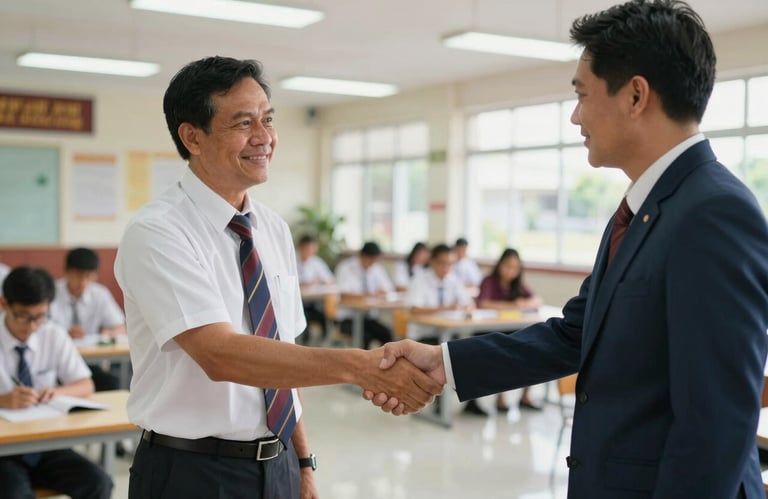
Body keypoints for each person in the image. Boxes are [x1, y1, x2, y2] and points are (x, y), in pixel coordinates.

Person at [369, 1, 768, 497]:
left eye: (582, 94)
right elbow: (576, 335)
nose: (576, 115)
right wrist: (443, 361)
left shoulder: (713, 213)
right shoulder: (643, 207)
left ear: (636, 95)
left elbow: (717, 423)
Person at [114, 56, 440, 499]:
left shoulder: (272, 229)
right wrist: (361, 367)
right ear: (192, 136)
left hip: (279, 463)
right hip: (192, 472)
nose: (264, 137)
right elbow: (220, 355)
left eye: (267, 119)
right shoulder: (158, 232)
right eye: (243, 123)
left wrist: (303, 462)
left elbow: (281, 358)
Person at [0, 266, 113, 499]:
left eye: (39, 317)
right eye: (23, 316)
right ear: (4, 304)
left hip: (45, 444)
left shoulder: (52, 333)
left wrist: (56, 392)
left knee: (99, 483)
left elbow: (85, 384)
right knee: (15, 494)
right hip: (3, 451)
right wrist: (3, 400)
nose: (31, 326)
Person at [475, 248, 543, 413]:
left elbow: (536, 299)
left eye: (515, 267)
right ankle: (500, 398)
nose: (511, 271)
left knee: (534, 350)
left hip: (512, 329)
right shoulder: (489, 281)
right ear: (500, 265)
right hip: (488, 331)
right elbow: (483, 303)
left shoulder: (517, 284)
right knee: (502, 355)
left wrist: (526, 303)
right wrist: (513, 305)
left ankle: (525, 396)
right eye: (507, 266)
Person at [49, 247, 125, 392]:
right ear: (66, 271)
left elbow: (120, 327)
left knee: (110, 383)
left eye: (89, 276)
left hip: (88, 361)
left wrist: (105, 334)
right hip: (56, 363)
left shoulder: (99, 294)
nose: (83, 282)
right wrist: (64, 333)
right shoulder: (51, 293)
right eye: (78, 275)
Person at [405, 243, 473, 343]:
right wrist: (446, 308)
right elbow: (414, 309)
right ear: (432, 261)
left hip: (449, 334)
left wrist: (467, 307)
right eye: (442, 263)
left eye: (450, 264)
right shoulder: (419, 280)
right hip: (423, 337)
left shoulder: (454, 280)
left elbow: (469, 303)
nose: (446, 268)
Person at [334, 241, 395, 349]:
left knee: (386, 334)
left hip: (368, 318)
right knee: (365, 336)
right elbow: (344, 295)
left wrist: (383, 292)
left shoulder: (376, 268)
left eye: (375, 260)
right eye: (370, 260)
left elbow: (388, 289)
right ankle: (363, 365)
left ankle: (384, 364)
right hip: (348, 319)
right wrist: (369, 295)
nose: (372, 263)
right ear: (362, 256)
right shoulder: (346, 268)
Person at [295, 234, 335, 345]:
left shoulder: (316, 262)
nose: (311, 252)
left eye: (313, 249)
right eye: (308, 249)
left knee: (323, 317)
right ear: (301, 248)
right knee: (303, 320)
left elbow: (330, 280)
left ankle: (322, 345)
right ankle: (303, 345)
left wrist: (320, 281)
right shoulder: (291, 259)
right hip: (297, 304)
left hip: (313, 303)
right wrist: (305, 284)